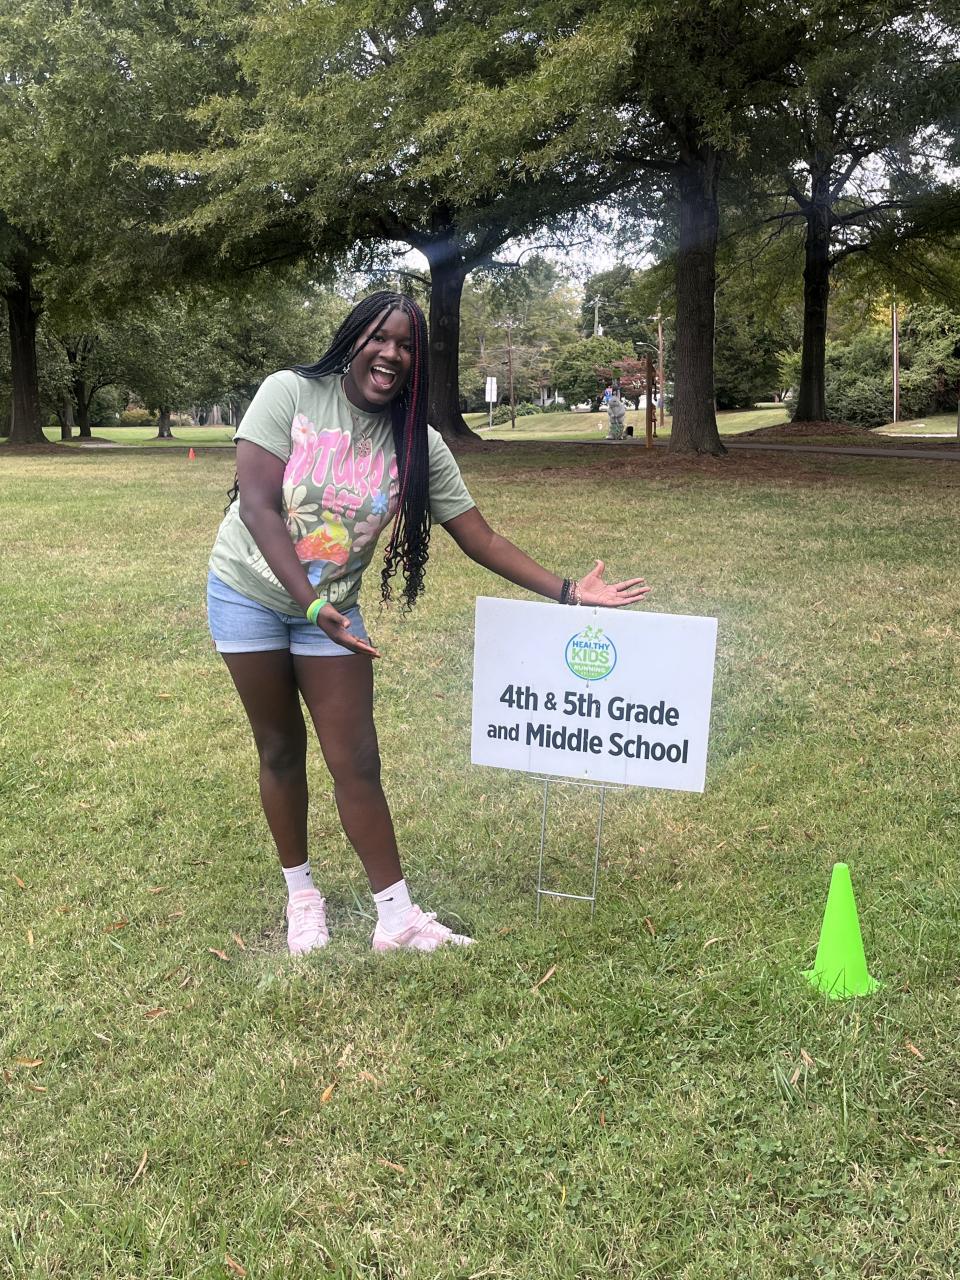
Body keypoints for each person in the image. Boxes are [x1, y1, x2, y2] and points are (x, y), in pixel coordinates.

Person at [207, 292, 650, 956]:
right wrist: (309, 604)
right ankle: (302, 896)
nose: (392, 353)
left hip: (334, 611)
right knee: (279, 748)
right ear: (353, 339)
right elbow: (258, 507)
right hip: (249, 594)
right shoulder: (290, 393)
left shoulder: (418, 443)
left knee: (357, 759)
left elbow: (480, 537)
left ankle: (397, 918)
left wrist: (568, 592)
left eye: (407, 345)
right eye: (380, 338)